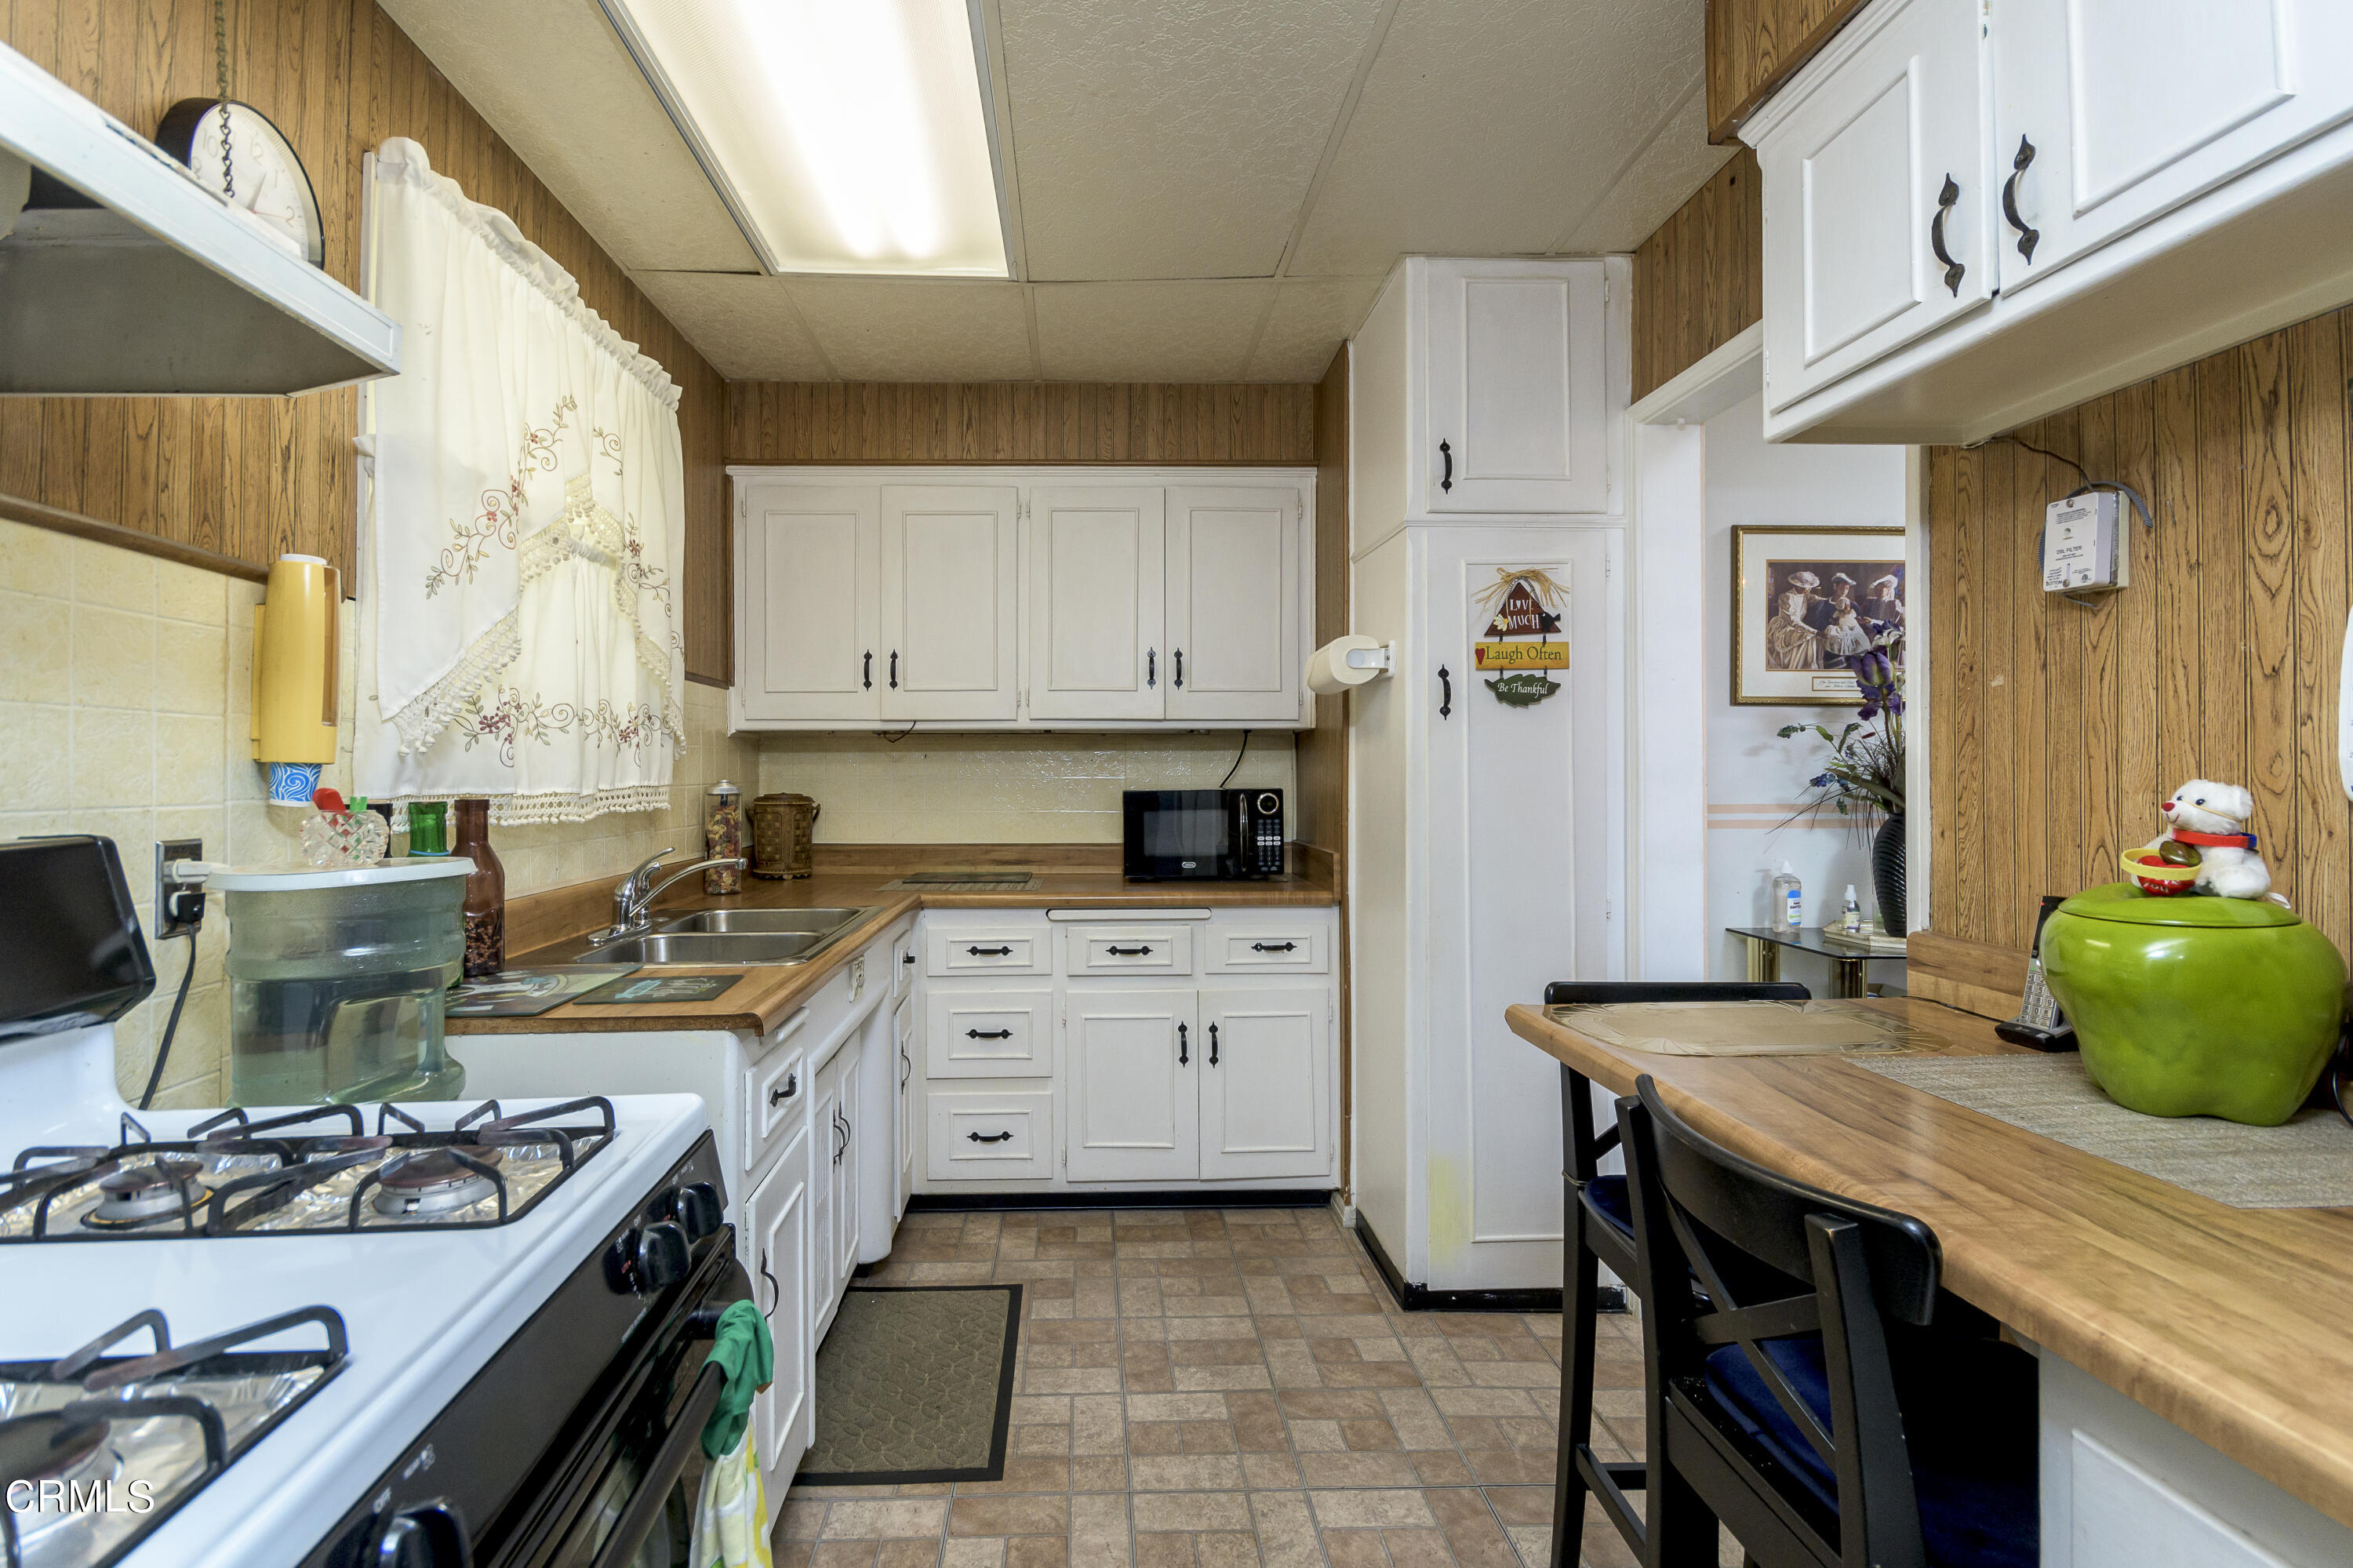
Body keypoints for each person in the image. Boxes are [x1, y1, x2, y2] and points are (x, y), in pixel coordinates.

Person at [1767, 570, 1820, 672]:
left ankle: (1804, 666)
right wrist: (1816, 632)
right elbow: (1794, 621)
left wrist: (1833, 601)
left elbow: (1817, 599)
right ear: (1799, 587)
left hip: (1797, 626)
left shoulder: (1805, 595)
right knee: (1808, 636)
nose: (1810, 589)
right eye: (1808, 587)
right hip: (1784, 627)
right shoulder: (1787, 597)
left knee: (1809, 635)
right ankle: (1796, 666)